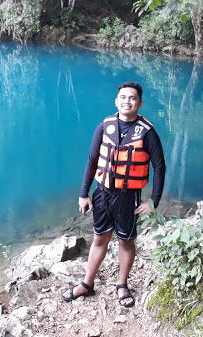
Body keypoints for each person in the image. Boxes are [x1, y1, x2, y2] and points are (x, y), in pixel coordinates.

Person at [62, 81, 166, 308]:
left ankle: (122, 285)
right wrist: (84, 194)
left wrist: (154, 201)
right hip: (102, 193)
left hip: (129, 197)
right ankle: (87, 284)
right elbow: (92, 161)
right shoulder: (104, 126)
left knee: (126, 241)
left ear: (139, 103)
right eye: (123, 97)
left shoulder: (147, 132)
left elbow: (160, 167)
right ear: (116, 101)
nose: (127, 101)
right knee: (99, 238)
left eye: (132, 98)